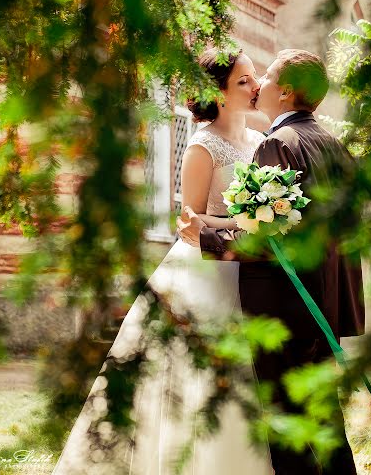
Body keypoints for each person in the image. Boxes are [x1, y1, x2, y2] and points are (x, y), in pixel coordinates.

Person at [52, 48, 273, 475]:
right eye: (243, 80)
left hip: (248, 267)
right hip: (204, 274)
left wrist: (261, 220)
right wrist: (248, 218)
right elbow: (189, 221)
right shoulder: (202, 147)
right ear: (219, 93)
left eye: (254, 77)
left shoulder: (261, 143)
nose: (255, 85)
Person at [178, 49, 364, 475]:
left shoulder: (278, 143)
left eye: (264, 76)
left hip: (286, 303)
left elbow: (272, 238)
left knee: (287, 432)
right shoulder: (330, 143)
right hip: (323, 300)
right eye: (247, 78)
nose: (258, 82)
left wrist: (207, 234)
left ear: (286, 92)